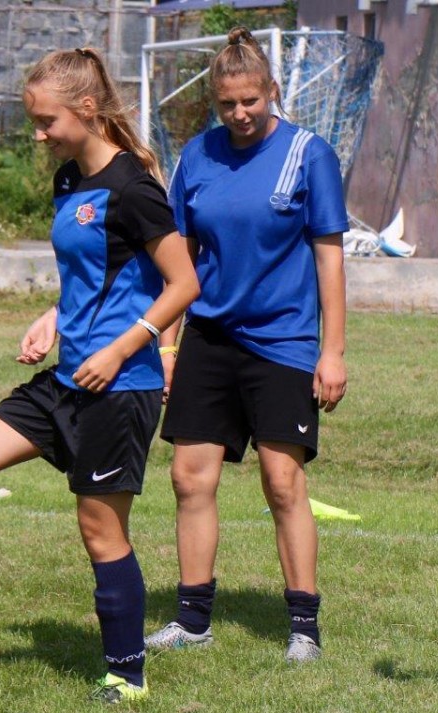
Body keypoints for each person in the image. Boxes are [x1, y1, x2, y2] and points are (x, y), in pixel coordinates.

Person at [0, 48, 197, 704]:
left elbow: (184, 284)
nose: (39, 136)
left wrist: (122, 349)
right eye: (35, 123)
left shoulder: (135, 189)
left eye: (47, 122)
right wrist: (54, 317)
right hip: (68, 378)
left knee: (100, 531)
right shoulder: (70, 181)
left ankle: (126, 675)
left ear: (87, 109)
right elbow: (91, 276)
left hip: (120, 389)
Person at [144, 27, 348, 663]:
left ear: (273, 91)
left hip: (283, 340)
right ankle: (192, 620)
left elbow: (330, 258)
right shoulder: (196, 156)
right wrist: (168, 348)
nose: (239, 114)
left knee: (282, 480)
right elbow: (178, 262)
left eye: (250, 101)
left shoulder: (309, 154)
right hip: (208, 337)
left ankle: (303, 628)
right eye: (227, 103)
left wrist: (333, 350)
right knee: (188, 476)